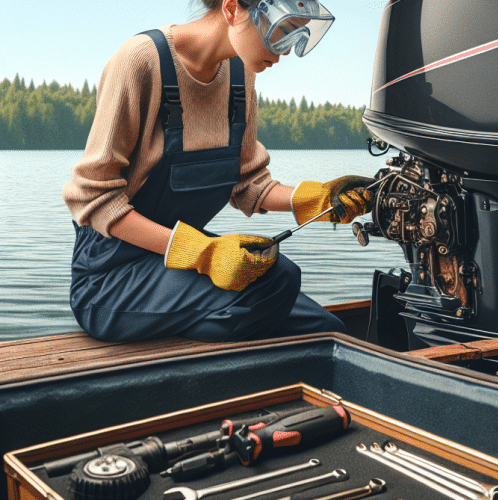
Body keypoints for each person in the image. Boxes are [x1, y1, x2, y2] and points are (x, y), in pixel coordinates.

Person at [62, 0, 373, 343]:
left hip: (177, 267)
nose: (284, 51)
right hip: (109, 280)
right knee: (278, 279)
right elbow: (95, 200)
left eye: (295, 37)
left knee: (325, 330)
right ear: (231, 8)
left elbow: (247, 184)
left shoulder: (241, 75)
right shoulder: (140, 60)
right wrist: (204, 253)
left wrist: (317, 198)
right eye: (280, 32)